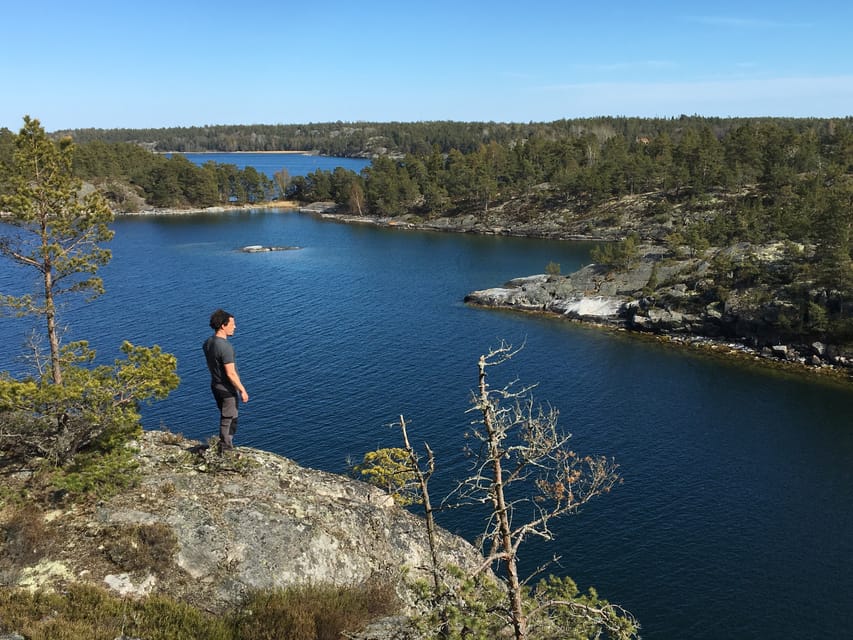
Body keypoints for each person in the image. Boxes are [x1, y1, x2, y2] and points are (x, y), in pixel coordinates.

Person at [203, 309, 249, 454]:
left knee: (227, 416)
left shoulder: (208, 343)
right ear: (223, 325)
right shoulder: (225, 347)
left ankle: (224, 445)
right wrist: (242, 390)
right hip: (226, 388)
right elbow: (231, 373)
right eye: (232, 324)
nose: (235, 327)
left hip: (215, 385)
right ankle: (226, 449)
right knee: (230, 418)